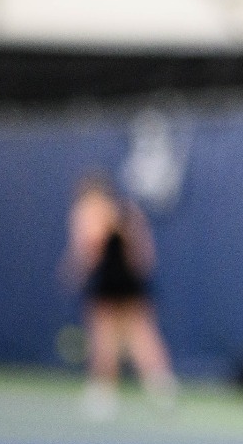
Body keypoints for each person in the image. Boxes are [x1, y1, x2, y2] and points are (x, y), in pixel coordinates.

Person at [62, 173, 177, 419]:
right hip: (130, 282)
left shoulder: (91, 211)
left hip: (112, 282)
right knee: (140, 335)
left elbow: (90, 248)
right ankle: (161, 389)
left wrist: (76, 271)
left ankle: (103, 395)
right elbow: (144, 254)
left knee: (109, 337)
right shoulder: (127, 210)